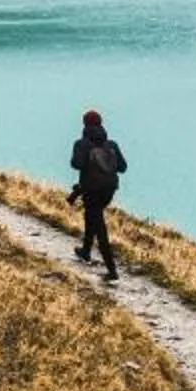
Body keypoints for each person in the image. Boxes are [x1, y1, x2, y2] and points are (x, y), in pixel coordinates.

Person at [67, 107, 127, 280]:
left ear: (84, 125)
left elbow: (76, 164)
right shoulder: (112, 145)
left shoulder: (81, 144)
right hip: (109, 191)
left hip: (91, 190)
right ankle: (86, 251)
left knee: (99, 227)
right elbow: (122, 168)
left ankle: (112, 270)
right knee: (92, 216)